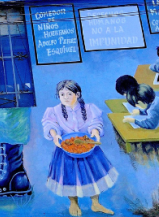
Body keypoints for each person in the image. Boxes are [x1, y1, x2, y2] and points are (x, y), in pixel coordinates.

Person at [42, 80, 117, 216]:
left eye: (69, 94)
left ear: (78, 94)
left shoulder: (89, 108)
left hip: (88, 147)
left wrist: (95, 131)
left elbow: (96, 122)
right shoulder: (54, 111)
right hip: (65, 150)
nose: (65, 97)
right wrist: (55, 135)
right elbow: (49, 124)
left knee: (94, 175)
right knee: (69, 177)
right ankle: (73, 203)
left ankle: (95, 203)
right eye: (62, 94)